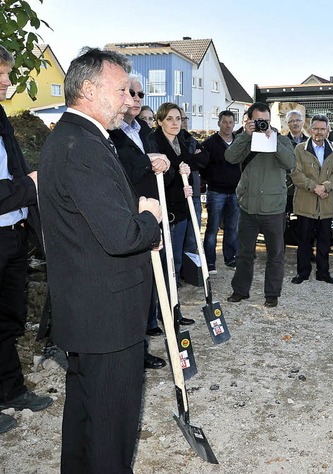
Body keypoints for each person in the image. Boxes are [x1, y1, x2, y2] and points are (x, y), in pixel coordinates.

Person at [38, 47, 162, 472]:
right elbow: (122, 234)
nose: (130, 99)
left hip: (91, 310)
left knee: (86, 417)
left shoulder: (78, 137)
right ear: (88, 90)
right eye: (122, 90)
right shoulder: (82, 145)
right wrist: (150, 219)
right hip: (107, 316)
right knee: (111, 427)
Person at [0, 44, 52, 435]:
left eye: (7, 73)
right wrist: (27, 187)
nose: (7, 81)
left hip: (14, 235)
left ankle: (10, 389)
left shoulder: (1, 117)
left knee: (10, 318)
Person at [108, 77, 170, 368]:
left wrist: (164, 163)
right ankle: (133, 350)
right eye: (129, 92)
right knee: (132, 283)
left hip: (150, 210)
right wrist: (149, 160)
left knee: (148, 278)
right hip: (126, 213)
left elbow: (161, 158)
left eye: (140, 93)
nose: (135, 97)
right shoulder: (111, 130)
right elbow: (119, 167)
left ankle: (143, 337)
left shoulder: (143, 129)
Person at [225, 102, 296, 308]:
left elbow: (291, 164)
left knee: (275, 254)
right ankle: (240, 290)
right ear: (249, 121)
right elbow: (229, 158)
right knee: (244, 253)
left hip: (273, 208)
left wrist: (272, 140)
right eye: (258, 121)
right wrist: (246, 136)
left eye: (265, 121)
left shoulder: (281, 140)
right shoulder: (244, 139)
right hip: (248, 207)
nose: (262, 125)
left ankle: (272, 294)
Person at [150, 102, 207, 295]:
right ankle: (163, 308)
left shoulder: (180, 140)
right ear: (159, 121)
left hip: (181, 210)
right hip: (165, 212)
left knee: (177, 259)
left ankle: (175, 306)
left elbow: (190, 166)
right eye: (169, 119)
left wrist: (187, 181)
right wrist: (177, 175)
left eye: (178, 119)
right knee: (166, 261)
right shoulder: (154, 142)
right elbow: (155, 180)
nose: (175, 123)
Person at [290, 114, 333, 284]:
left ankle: (323, 273)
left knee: (324, 241)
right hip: (306, 202)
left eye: (323, 129)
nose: (319, 132)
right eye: (316, 128)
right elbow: (296, 174)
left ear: (328, 131)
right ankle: (303, 273)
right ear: (310, 129)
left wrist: (325, 187)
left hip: (326, 205)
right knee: (304, 240)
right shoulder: (299, 149)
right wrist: (315, 188)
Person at [202, 110, 241, 272]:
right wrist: (212, 179)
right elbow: (202, 166)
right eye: (224, 122)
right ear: (219, 123)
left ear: (234, 124)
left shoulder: (239, 142)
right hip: (216, 192)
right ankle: (210, 262)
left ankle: (230, 259)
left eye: (231, 122)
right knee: (212, 229)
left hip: (235, 193)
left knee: (233, 228)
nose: (228, 125)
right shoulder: (209, 143)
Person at [179, 107, 209, 259]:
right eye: (179, 118)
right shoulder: (160, 140)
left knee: (193, 233)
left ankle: (189, 268)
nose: (182, 122)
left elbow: (204, 159)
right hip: (176, 194)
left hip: (194, 192)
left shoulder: (190, 139)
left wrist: (190, 159)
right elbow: (182, 161)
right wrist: (192, 157)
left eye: (184, 119)